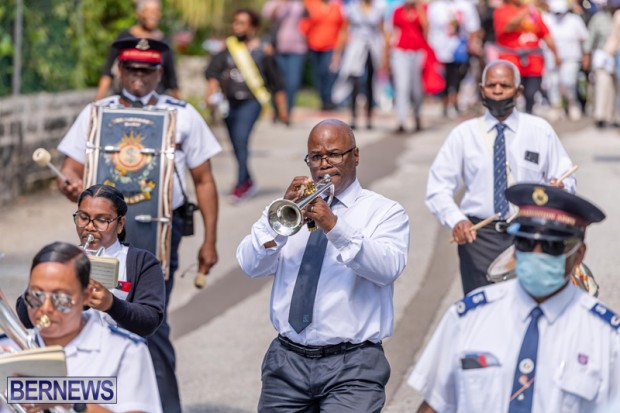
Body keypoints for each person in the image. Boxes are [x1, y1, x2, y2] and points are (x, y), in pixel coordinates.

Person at [57, 38, 221, 413]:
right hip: (99, 233)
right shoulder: (96, 113)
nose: (138, 76)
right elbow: (69, 168)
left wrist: (209, 241)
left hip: (162, 233)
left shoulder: (183, 115)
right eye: (131, 68)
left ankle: (164, 406)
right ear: (120, 70)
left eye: (147, 70)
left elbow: (204, 179)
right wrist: (67, 182)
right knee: (91, 313)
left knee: (151, 320)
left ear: (159, 72)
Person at [237, 119, 410, 412]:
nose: (324, 164)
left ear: (355, 156)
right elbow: (249, 265)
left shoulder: (385, 212)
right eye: (316, 157)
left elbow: (387, 268)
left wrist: (334, 226)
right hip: (286, 362)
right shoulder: (288, 209)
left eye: (334, 154)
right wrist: (275, 226)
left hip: (354, 365)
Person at [409, 183, 620, 413]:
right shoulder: (468, 317)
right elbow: (435, 404)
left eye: (551, 246)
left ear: (578, 254)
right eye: (525, 242)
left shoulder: (605, 337)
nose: (536, 254)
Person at [425, 60, 576, 295]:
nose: (497, 91)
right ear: (481, 88)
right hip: (479, 238)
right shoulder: (463, 135)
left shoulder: (540, 130)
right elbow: (438, 188)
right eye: (491, 85)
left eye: (504, 86)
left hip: (530, 234)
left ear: (519, 90)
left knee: (528, 304)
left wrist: (560, 188)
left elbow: (566, 175)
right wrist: (456, 220)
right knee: (482, 308)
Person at [1, 242, 162, 413]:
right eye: (36, 296)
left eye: (60, 298)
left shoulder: (125, 351)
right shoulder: (8, 350)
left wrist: (68, 399)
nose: (46, 307)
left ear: (86, 296)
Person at [15, 184, 165, 338]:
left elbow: (150, 321)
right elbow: (26, 318)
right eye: (83, 217)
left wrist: (112, 304)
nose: (90, 227)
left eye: (102, 220)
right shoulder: (61, 259)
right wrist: (54, 276)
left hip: (120, 349)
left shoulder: (142, 262)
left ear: (120, 224)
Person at [205, 8, 288, 204]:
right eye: (235, 22)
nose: (237, 27)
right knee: (236, 144)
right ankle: (248, 180)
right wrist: (210, 93)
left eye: (242, 23)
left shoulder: (263, 51)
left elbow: (276, 82)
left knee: (241, 139)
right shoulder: (228, 48)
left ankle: (241, 184)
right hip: (228, 102)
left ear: (253, 27)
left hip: (252, 102)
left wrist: (282, 109)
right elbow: (212, 72)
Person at [95, 0, 179, 100]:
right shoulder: (125, 38)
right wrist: (98, 100)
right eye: (149, 11)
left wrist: (179, 105)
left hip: (155, 101)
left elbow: (172, 78)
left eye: (156, 11)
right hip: (126, 100)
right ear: (138, 14)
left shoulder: (164, 42)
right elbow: (107, 72)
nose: (154, 15)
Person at [494, 0, 561, 113]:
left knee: (531, 93)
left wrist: (556, 53)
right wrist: (527, 11)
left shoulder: (534, 12)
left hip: (533, 62)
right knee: (512, 94)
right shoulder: (502, 11)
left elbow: (545, 34)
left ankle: (529, 115)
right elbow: (509, 26)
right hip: (511, 61)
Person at [331, 0, 387, 130]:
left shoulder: (378, 9)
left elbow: (382, 31)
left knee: (371, 82)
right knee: (354, 81)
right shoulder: (352, 8)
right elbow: (344, 31)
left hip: (372, 47)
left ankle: (369, 117)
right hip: (356, 46)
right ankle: (354, 116)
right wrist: (338, 53)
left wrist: (385, 54)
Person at [427, 0, 481, 118]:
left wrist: (473, 44)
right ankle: (445, 104)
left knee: (457, 77)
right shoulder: (435, 7)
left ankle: (455, 103)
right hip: (439, 51)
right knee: (444, 79)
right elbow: (428, 27)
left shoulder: (466, 5)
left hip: (459, 49)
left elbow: (473, 28)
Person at [543, 0, 589, 121]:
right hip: (551, 58)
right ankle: (556, 106)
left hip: (571, 57)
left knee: (569, 82)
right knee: (553, 83)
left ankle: (572, 104)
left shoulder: (574, 20)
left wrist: (585, 55)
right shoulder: (546, 19)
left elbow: (584, 38)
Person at [387, 0, 429, 133]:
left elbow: (426, 28)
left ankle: (417, 115)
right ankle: (401, 120)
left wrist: (419, 9)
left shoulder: (422, 9)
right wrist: (386, 54)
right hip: (400, 52)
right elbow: (391, 32)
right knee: (402, 86)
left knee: (417, 89)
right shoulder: (398, 11)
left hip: (417, 52)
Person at [262, 0, 308, 118]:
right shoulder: (273, 4)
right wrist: (282, 3)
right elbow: (269, 17)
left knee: (293, 82)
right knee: (277, 82)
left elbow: (309, 16)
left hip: (297, 48)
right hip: (277, 48)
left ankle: (287, 111)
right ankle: (277, 109)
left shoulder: (298, 4)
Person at [300, 0, 346, 111]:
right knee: (318, 74)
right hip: (314, 46)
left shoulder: (336, 7)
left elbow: (342, 28)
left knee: (328, 72)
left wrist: (339, 48)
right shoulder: (311, 4)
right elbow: (305, 24)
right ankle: (323, 99)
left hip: (330, 46)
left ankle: (328, 99)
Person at [583, 0, 615, 128]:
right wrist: (586, 56)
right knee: (603, 86)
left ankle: (613, 117)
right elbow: (590, 39)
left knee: (615, 90)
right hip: (603, 59)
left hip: (616, 59)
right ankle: (600, 117)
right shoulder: (599, 18)